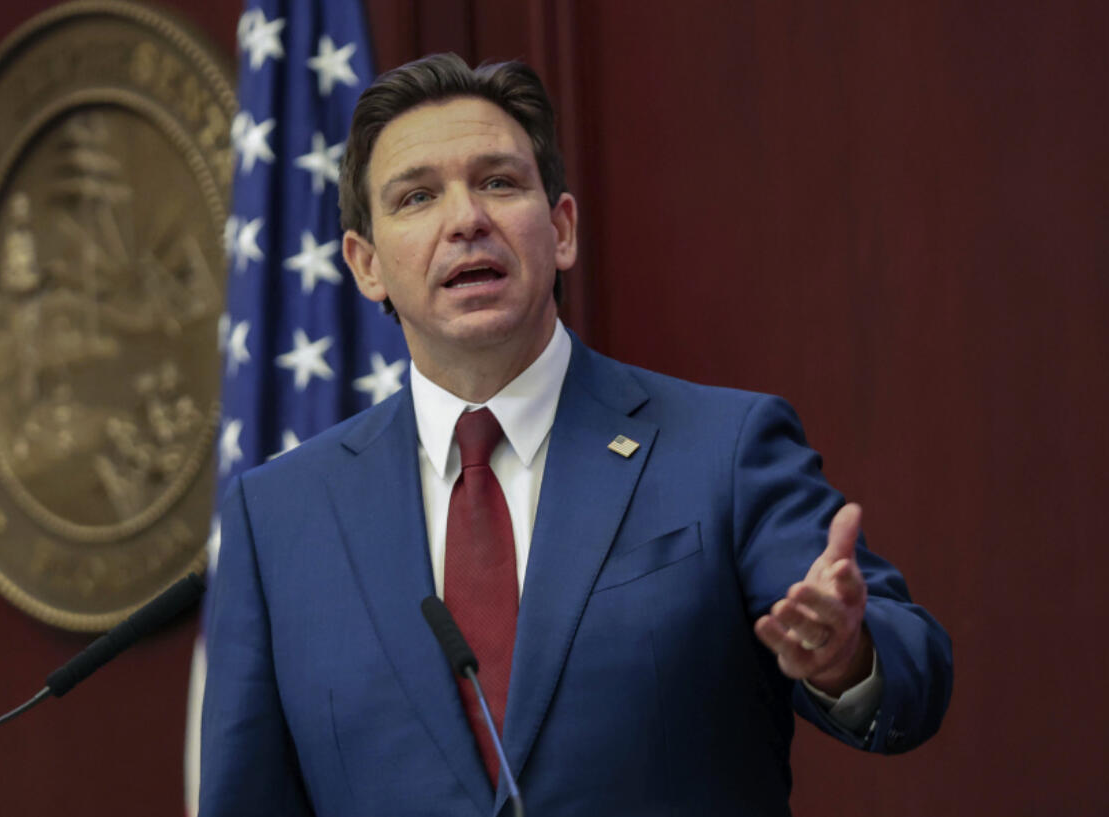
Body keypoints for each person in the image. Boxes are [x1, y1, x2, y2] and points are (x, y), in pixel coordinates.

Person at [199, 53, 952, 817]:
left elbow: (910, 664)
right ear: (365, 266)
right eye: (418, 196)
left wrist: (844, 656)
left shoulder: (722, 449)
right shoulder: (279, 518)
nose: (466, 219)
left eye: (498, 182)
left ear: (560, 229)